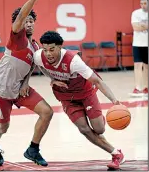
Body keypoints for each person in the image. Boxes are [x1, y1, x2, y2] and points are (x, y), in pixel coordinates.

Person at [33, 31, 125, 170]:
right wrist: (52, 79)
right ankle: (116, 154)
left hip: (85, 93)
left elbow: (98, 82)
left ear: (59, 47)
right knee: (84, 129)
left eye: (52, 49)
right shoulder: (39, 56)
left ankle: (98, 117)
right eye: (45, 50)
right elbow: (40, 67)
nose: (48, 54)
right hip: (67, 97)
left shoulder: (74, 61)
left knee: (99, 129)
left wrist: (114, 100)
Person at [0, 0, 53, 167]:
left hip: (19, 89)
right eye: (26, 20)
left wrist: (25, 82)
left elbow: (32, 65)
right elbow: (22, 15)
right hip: (1, 90)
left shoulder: (34, 46)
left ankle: (33, 149)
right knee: (3, 127)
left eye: (32, 20)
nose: (29, 23)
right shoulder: (17, 38)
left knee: (47, 112)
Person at [130, 0, 148, 97]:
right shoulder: (136, 13)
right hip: (138, 44)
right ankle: (138, 88)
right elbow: (135, 27)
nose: (143, 5)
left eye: (145, 3)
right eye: (141, 3)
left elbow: (139, 26)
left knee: (146, 67)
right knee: (137, 66)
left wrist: (141, 25)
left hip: (147, 44)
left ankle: (146, 88)